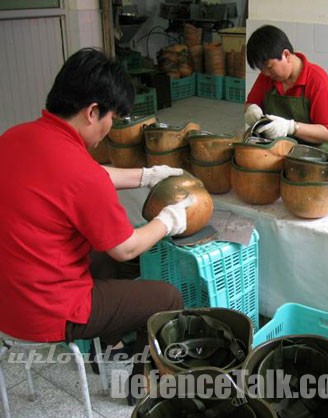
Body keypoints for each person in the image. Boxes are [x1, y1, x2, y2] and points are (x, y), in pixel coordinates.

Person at [0, 48, 192, 405]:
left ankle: (109, 342)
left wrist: (147, 176)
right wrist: (168, 221)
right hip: (45, 310)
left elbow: (78, 177)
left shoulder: (14, 138)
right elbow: (127, 246)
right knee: (165, 296)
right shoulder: (79, 169)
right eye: (112, 118)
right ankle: (142, 390)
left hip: (6, 298)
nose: (109, 129)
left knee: (103, 259)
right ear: (92, 112)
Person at [245, 24, 328, 153]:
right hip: (275, 152)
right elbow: (251, 103)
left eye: (269, 67)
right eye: (261, 69)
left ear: (286, 55)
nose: (265, 73)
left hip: (311, 158)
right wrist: (251, 109)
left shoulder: (318, 81)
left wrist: (292, 127)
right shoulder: (266, 77)